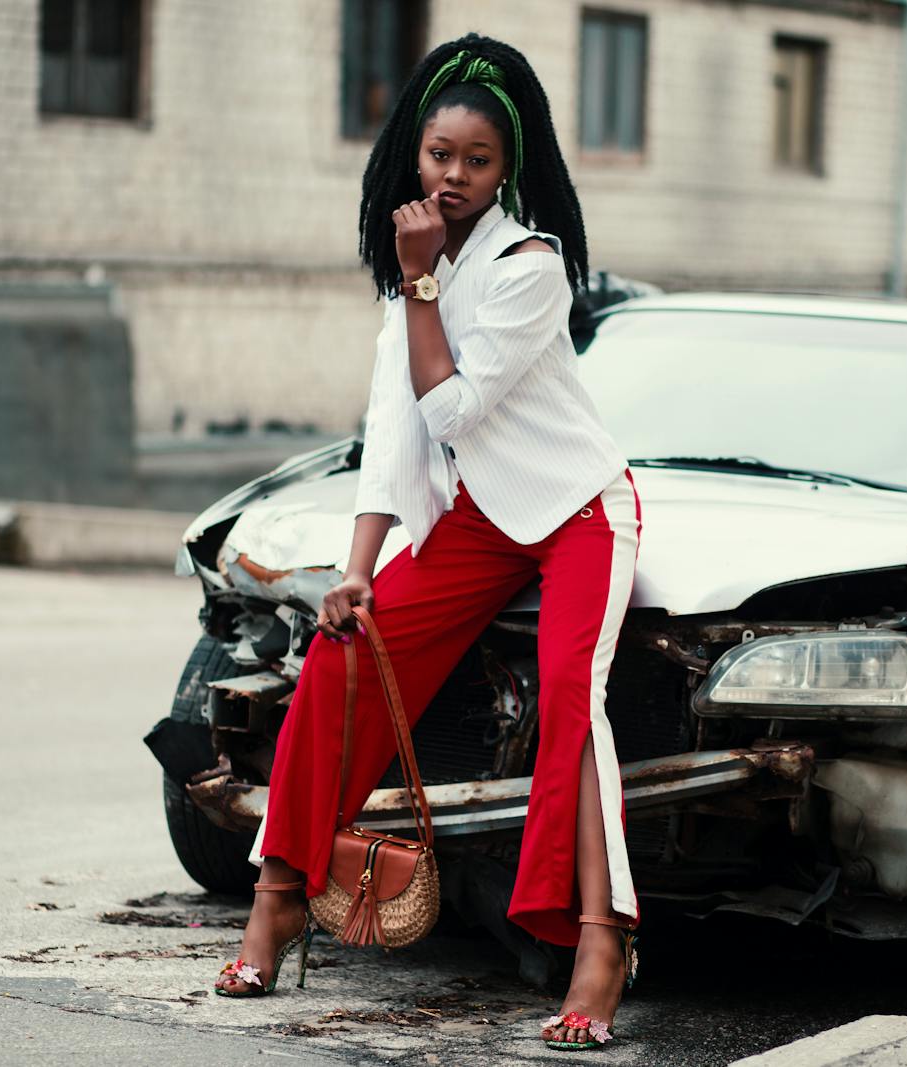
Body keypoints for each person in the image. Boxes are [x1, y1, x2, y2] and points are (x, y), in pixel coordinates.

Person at [212, 33, 645, 1051]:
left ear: (509, 169)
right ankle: (277, 900)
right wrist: (355, 572)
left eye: (477, 161)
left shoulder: (528, 268)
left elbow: (450, 410)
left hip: (578, 507)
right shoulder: (408, 274)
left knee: (573, 701)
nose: (452, 176)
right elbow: (394, 432)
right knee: (341, 655)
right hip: (475, 523)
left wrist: (420, 286)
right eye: (438, 154)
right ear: (415, 151)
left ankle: (600, 942)